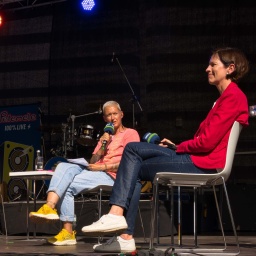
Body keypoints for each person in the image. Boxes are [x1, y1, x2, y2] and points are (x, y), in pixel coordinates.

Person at [81, 47, 250, 253]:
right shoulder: (225, 98)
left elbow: (206, 143)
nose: (207, 68)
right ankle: (124, 236)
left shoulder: (233, 97)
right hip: (197, 158)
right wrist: (176, 147)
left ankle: (117, 217)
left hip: (204, 164)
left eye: (213, 64)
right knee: (132, 163)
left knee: (132, 150)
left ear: (230, 68)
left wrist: (179, 147)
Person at [29, 100, 140, 246]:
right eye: (108, 115)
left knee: (67, 185)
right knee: (63, 166)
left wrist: (103, 167)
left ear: (121, 114)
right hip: (95, 171)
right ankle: (49, 207)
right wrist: (102, 146)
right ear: (104, 119)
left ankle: (67, 231)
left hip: (114, 177)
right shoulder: (105, 136)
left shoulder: (130, 133)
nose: (112, 118)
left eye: (115, 114)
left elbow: (130, 164)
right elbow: (93, 160)